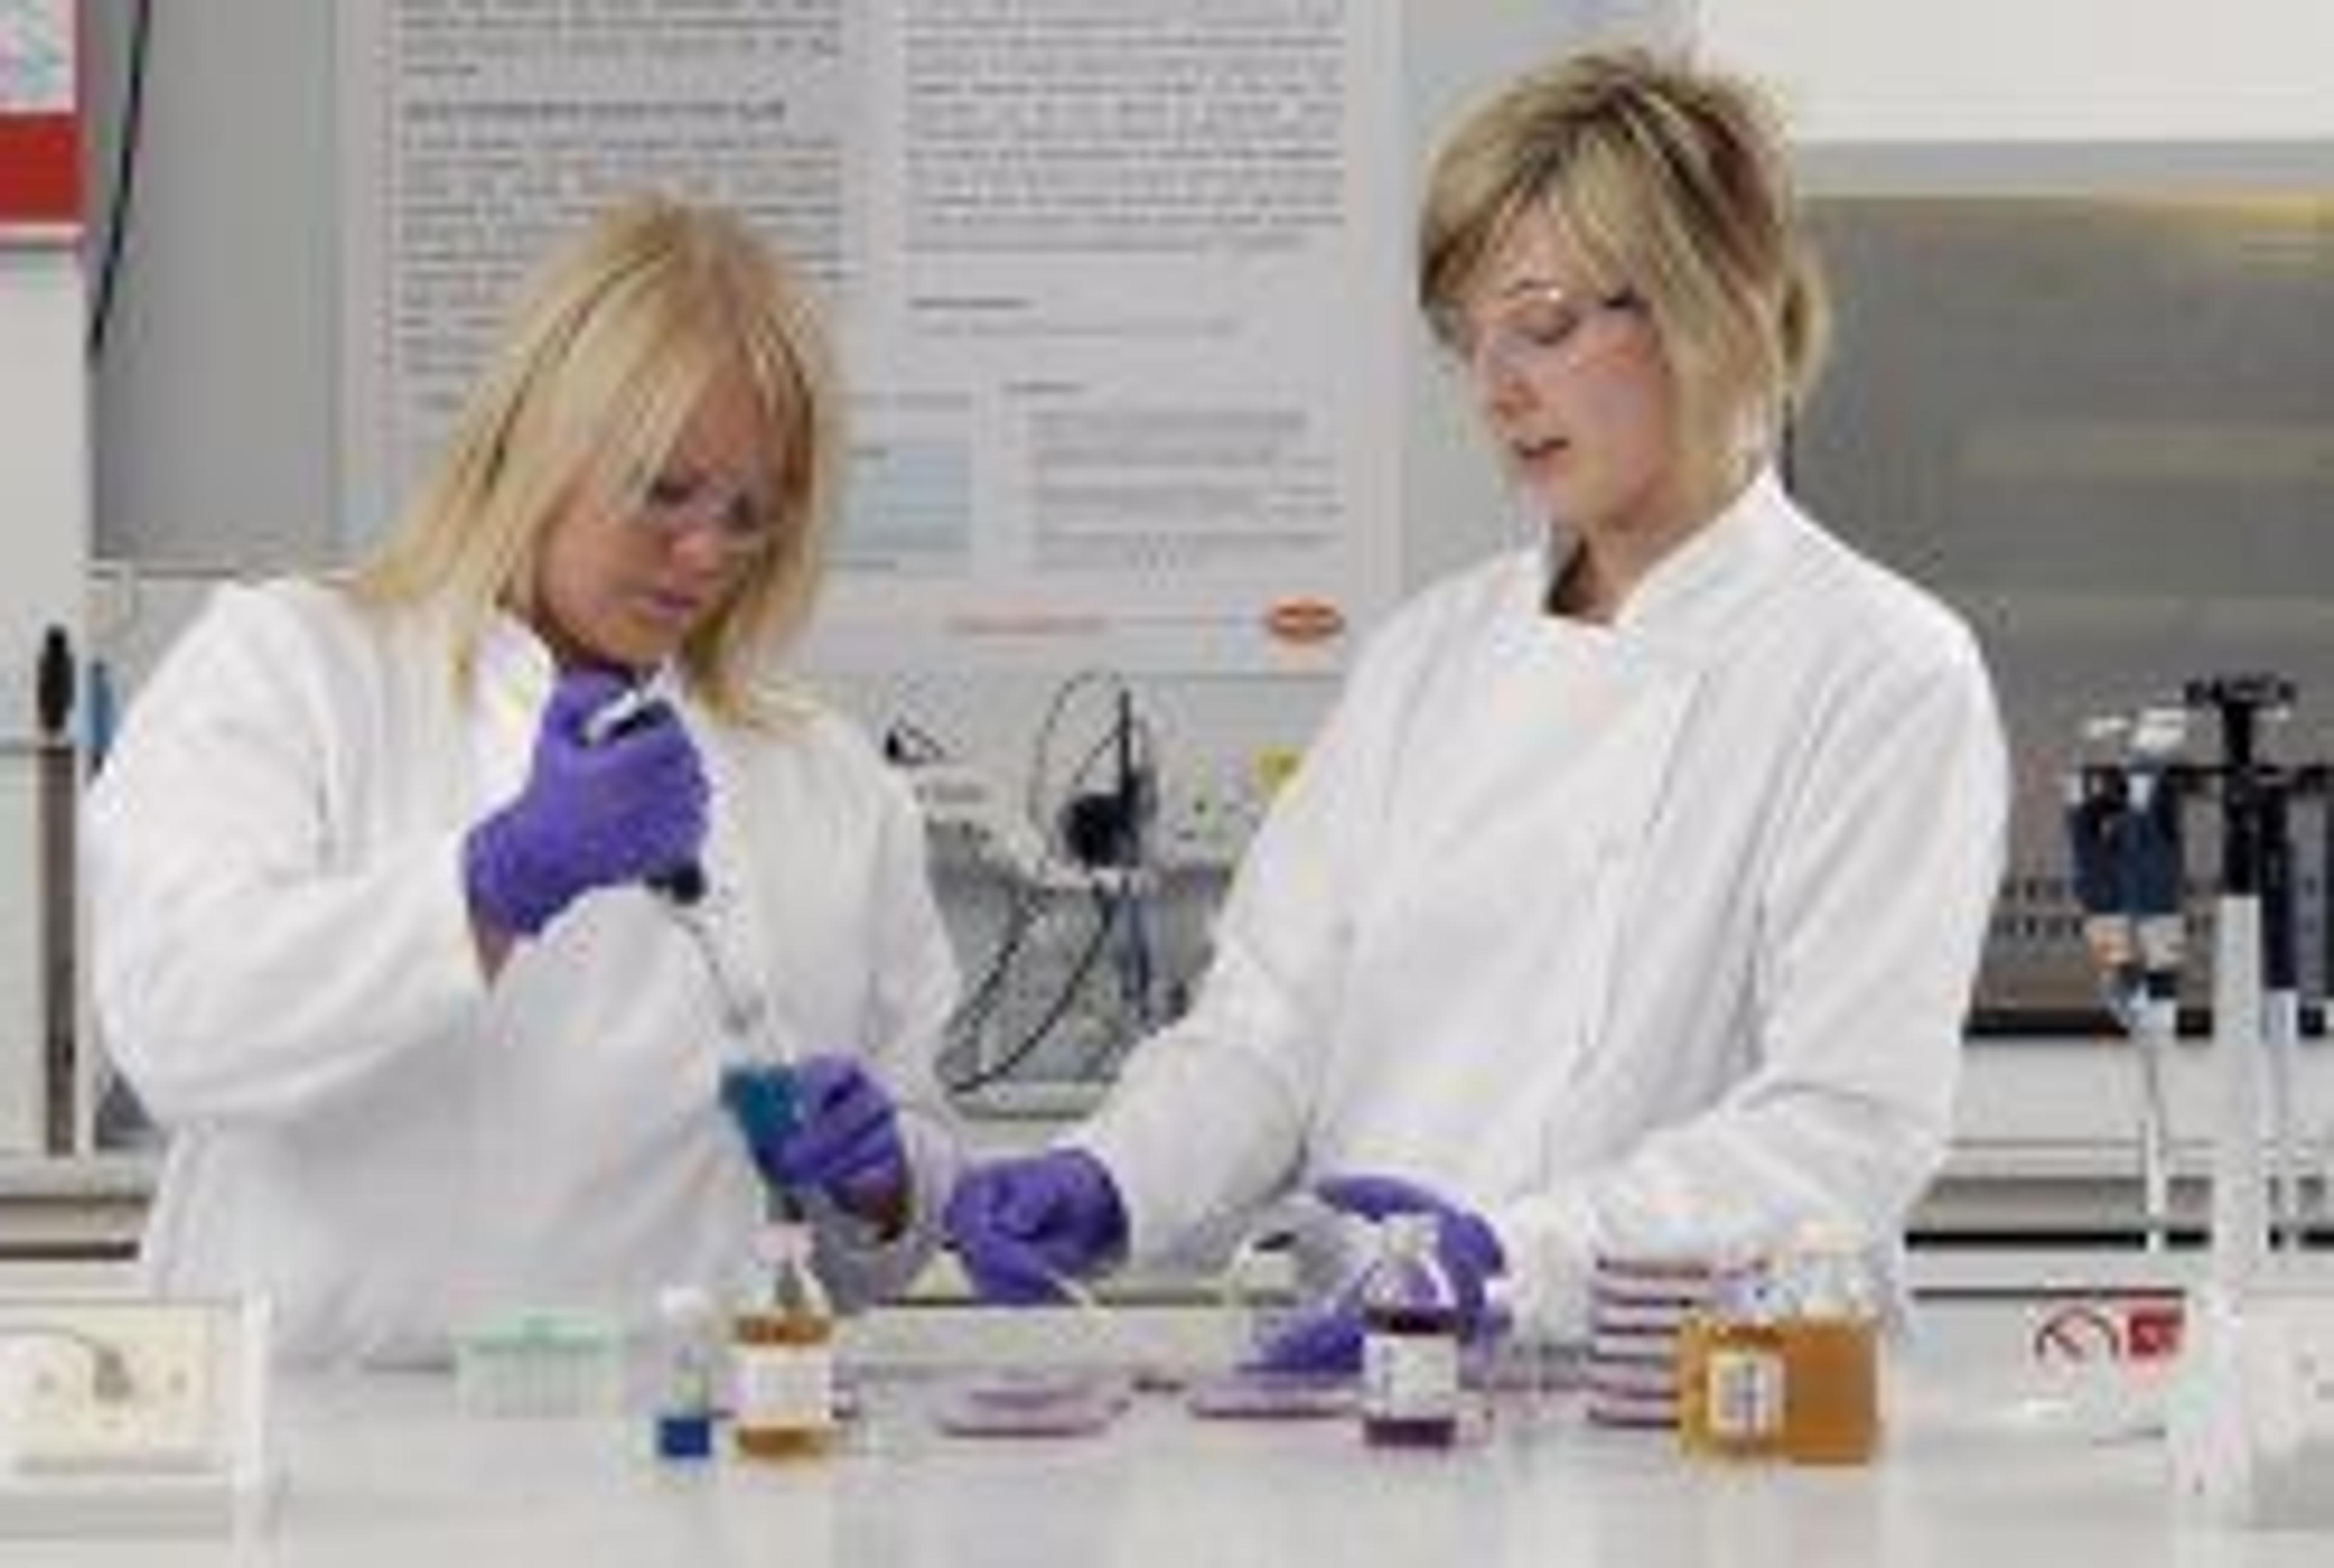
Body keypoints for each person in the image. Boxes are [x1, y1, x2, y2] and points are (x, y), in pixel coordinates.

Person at [945, 49, 2008, 1368]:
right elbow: (1267, 1035)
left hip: (1701, 1412)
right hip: (1378, 1393)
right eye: (1469, 338)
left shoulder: (1879, 671)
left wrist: (1511, 1261)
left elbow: (1843, 1126)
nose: (1497, 387)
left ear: (1718, 302)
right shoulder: (1428, 660)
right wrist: (1115, 1175)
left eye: (1545, 325)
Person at [88, 196, 960, 1364]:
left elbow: (871, 1246)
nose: (706, 552)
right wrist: (492, 884)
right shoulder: (295, 669)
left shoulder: (829, 783)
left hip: (668, 1440)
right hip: (324, 1438)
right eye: (664, 491)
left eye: (750, 514)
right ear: (533, 448)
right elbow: (179, 1026)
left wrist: (884, 1184)